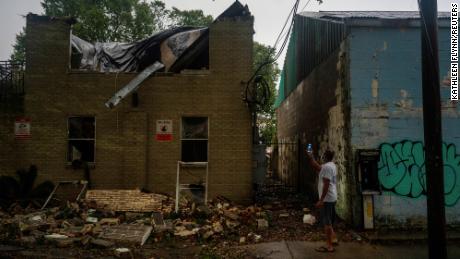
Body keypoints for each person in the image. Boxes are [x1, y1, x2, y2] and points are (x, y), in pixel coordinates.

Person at [307, 149, 338, 253]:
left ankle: (329, 246)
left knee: (327, 223)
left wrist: (321, 200)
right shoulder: (330, 165)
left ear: (324, 156)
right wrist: (311, 157)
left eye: (323, 155)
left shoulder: (327, 167)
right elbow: (318, 167)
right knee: (329, 221)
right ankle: (333, 239)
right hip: (331, 198)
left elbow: (326, 184)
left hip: (327, 199)